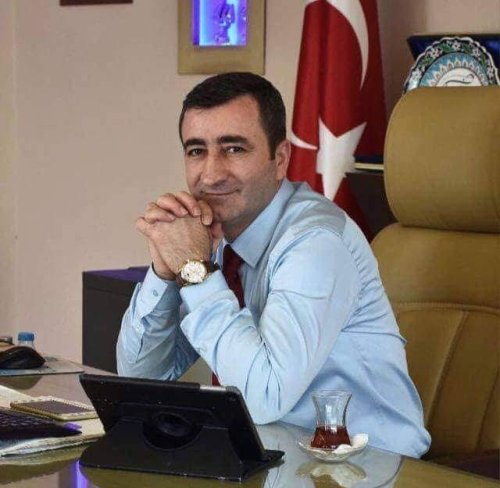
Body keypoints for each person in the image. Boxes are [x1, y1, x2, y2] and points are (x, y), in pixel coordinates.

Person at [116, 72, 431, 458]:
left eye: (234, 149)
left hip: (370, 470)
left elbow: (264, 397)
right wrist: (166, 271)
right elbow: (141, 377)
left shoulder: (316, 242)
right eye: (196, 151)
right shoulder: (214, 237)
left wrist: (195, 270)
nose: (211, 174)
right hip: (275, 461)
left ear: (280, 159)